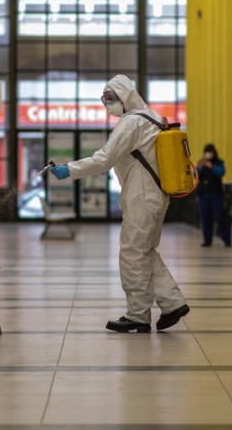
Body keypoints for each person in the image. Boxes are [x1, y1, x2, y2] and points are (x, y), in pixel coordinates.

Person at [50, 75, 190, 333]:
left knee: (132, 253)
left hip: (142, 196)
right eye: (104, 100)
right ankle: (172, 303)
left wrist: (69, 169)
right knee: (144, 251)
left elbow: (105, 158)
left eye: (111, 99)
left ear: (126, 96)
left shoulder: (131, 123)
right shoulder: (154, 118)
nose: (108, 105)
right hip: (157, 195)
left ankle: (137, 315)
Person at [197, 143, 230, 247]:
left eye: (210, 152)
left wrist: (212, 167)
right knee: (206, 218)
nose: (208, 154)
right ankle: (207, 240)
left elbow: (221, 172)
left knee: (220, 217)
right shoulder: (201, 162)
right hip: (204, 195)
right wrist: (200, 167)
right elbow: (195, 174)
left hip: (216, 195)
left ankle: (226, 239)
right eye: (206, 152)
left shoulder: (219, 162)